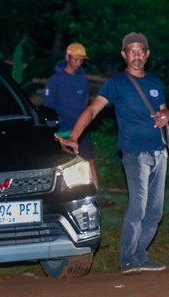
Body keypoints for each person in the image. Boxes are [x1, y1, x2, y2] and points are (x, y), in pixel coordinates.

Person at [55, 32, 169, 274]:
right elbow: (92, 111)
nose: (137, 55)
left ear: (147, 54)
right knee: (138, 207)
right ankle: (127, 259)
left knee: (155, 211)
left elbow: (163, 109)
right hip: (134, 154)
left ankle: (140, 255)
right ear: (124, 55)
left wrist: (166, 114)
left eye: (141, 51)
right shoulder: (116, 83)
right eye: (132, 51)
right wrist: (74, 136)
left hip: (159, 152)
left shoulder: (155, 83)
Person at [43, 43, 113, 207]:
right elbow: (48, 106)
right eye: (76, 59)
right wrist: (54, 128)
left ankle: (96, 195)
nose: (78, 62)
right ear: (67, 58)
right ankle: (60, 198)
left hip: (80, 128)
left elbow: (86, 106)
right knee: (61, 165)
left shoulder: (82, 80)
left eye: (81, 59)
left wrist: (82, 125)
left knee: (89, 161)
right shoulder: (55, 81)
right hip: (61, 130)